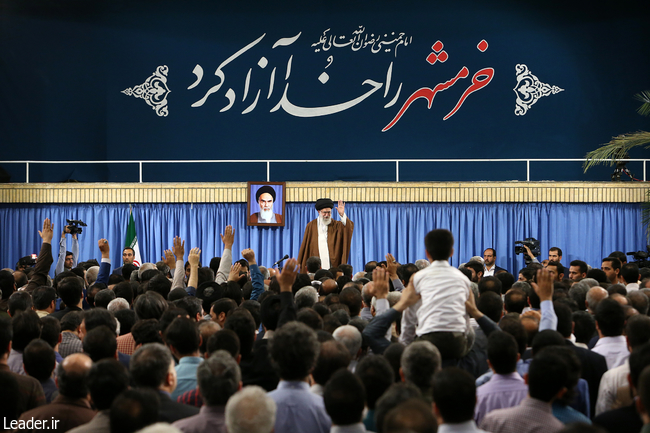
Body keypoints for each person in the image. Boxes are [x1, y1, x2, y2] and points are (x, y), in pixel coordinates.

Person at [298, 198, 354, 269]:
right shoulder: (311, 225)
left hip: (332, 263)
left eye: (329, 212)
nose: (327, 215)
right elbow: (305, 245)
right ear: (319, 211)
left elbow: (348, 227)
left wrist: (342, 214)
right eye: (324, 212)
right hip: (315, 263)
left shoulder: (336, 225)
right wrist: (299, 262)